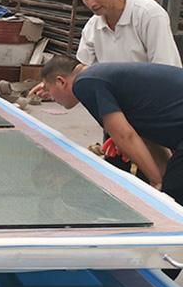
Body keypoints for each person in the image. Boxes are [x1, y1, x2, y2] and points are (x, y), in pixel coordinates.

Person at [41, 55, 183, 203]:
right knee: (171, 191)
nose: (50, 97)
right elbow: (145, 139)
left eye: (47, 88)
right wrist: (161, 181)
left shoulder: (84, 83)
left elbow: (125, 136)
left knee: (174, 194)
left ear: (60, 81)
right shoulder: (101, 76)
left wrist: (156, 182)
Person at [31, 0, 181, 98]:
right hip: (119, 99)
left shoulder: (148, 14)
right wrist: (54, 87)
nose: (91, 3)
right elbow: (82, 73)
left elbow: (165, 70)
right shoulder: (92, 27)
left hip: (157, 98)